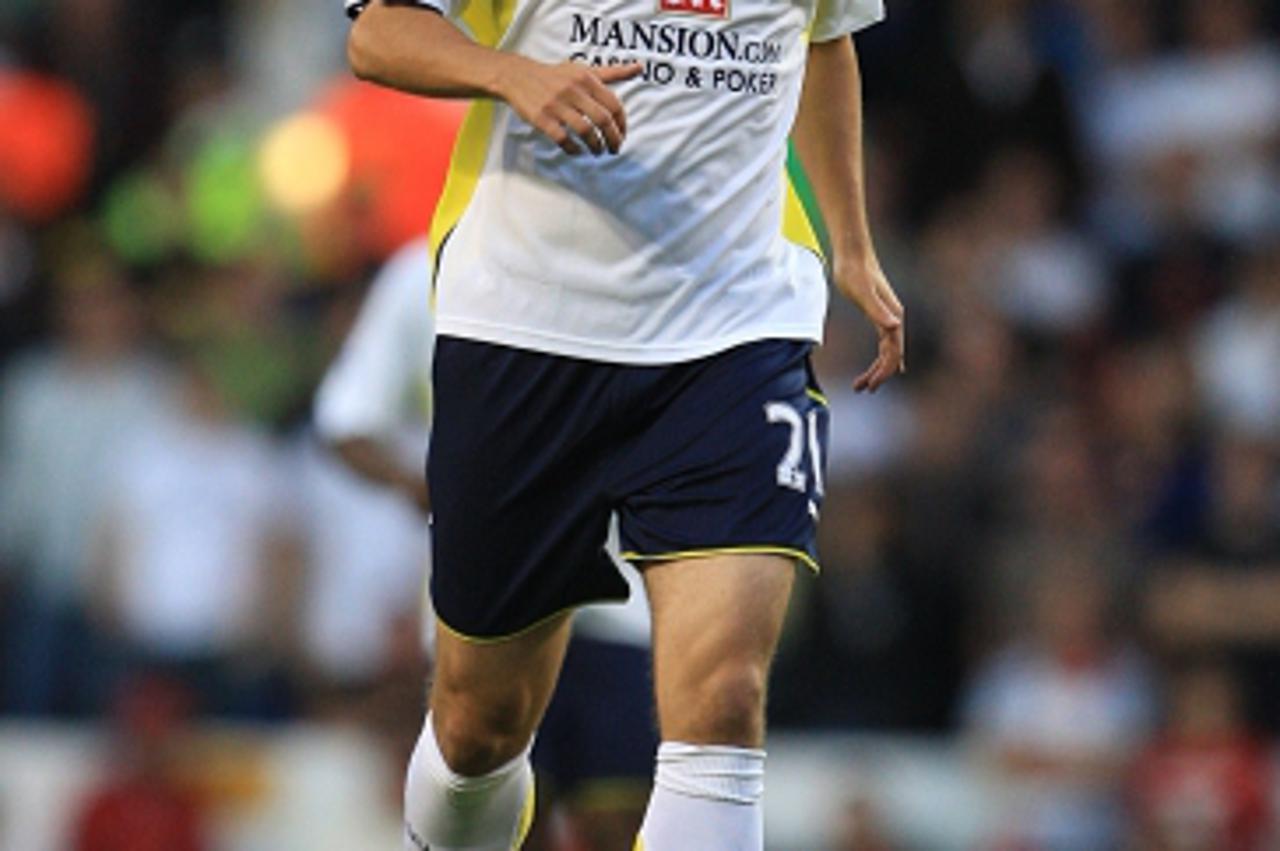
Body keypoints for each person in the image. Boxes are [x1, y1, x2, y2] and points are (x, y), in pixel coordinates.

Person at [344, 0, 905, 847]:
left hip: (735, 326)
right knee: (478, 726)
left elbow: (824, 43)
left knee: (725, 700)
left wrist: (851, 243)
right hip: (524, 325)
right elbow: (377, 32)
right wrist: (513, 75)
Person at [313, 238, 657, 849]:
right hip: (490, 602)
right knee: (508, 824)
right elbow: (346, 421)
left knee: (624, 822)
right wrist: (441, 490)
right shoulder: (425, 270)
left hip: (624, 602)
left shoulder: (632, 253)